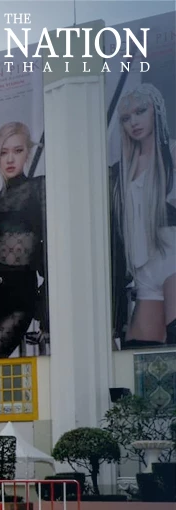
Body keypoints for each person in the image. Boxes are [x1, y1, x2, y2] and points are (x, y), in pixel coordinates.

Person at [0, 121, 48, 360]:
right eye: (3, 152)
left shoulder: (39, 189)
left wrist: (45, 312)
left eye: (17, 150)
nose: (10, 159)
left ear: (28, 153)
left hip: (20, 296)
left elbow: (53, 252)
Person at [110, 83, 176, 347]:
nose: (134, 122)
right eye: (126, 118)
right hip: (143, 270)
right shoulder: (121, 170)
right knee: (139, 353)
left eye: (141, 111)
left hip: (172, 257)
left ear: (155, 111)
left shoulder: (171, 153)